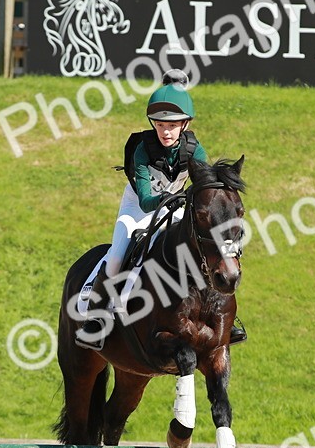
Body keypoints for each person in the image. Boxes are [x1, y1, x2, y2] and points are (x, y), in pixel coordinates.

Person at [77, 71, 246, 350]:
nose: (165, 131)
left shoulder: (194, 148)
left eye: (172, 125)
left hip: (177, 204)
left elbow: (204, 185)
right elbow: (145, 199)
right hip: (138, 206)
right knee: (118, 254)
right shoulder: (142, 150)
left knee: (203, 248)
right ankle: (97, 317)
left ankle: (222, 318)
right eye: (159, 124)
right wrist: (175, 197)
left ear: (185, 124)